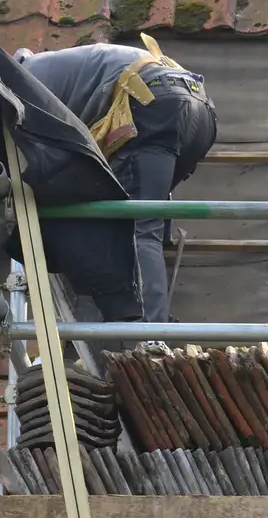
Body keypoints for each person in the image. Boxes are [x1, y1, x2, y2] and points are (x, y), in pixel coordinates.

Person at [15, 37, 217, 326]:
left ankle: (149, 337)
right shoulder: (55, 70)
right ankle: (144, 324)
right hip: (198, 109)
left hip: (151, 102)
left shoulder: (15, 84)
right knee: (148, 227)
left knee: (137, 229)